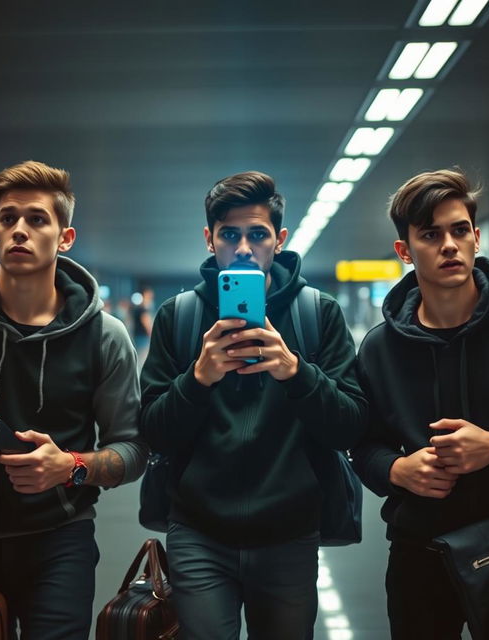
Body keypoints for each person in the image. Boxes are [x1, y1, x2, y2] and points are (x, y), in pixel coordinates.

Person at [0, 160, 149, 639]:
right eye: (8, 219)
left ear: (65, 238)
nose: (19, 230)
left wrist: (71, 466)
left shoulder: (104, 338)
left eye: (37, 219)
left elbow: (132, 449)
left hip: (61, 537)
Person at [140, 171, 367, 640]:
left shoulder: (316, 312)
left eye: (258, 234)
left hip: (290, 533)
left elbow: (352, 427)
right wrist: (198, 378)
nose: (243, 248)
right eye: (229, 234)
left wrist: (295, 370)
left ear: (279, 240)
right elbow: (153, 433)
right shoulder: (178, 316)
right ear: (210, 239)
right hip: (198, 531)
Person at [351, 168, 489, 639]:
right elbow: (363, 446)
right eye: (431, 234)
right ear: (405, 251)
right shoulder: (380, 349)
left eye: (459, 230)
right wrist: (394, 471)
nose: (449, 244)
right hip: (420, 556)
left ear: (476, 237)